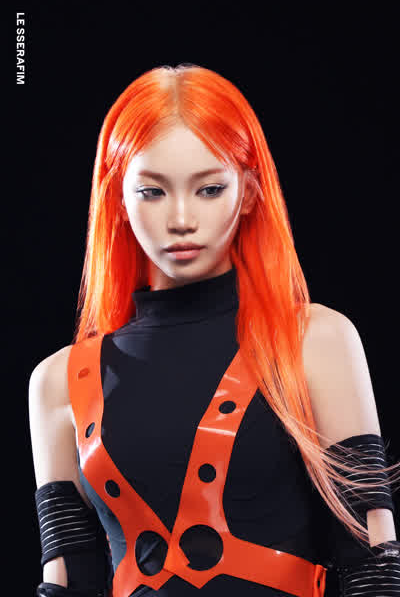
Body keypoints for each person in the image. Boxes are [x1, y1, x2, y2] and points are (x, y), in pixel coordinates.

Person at [29, 64, 400, 597]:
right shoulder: (59, 382)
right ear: (118, 200)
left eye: (209, 188)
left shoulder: (315, 341)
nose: (182, 218)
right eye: (152, 191)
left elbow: (373, 562)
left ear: (248, 192)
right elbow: (67, 579)